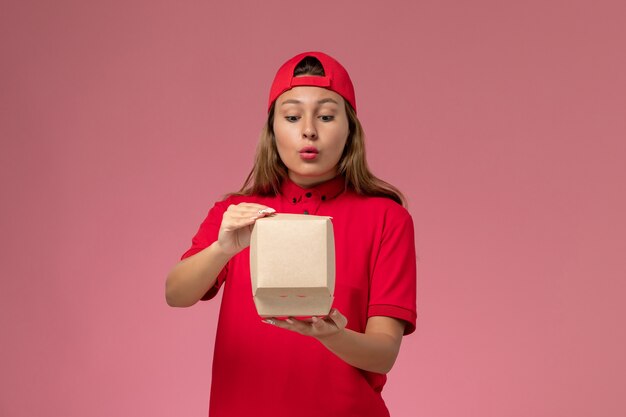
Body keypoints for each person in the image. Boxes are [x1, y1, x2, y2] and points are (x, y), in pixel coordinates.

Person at [165, 51, 417, 417]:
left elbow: (384, 353)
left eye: (327, 116)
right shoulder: (236, 213)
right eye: (293, 116)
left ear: (350, 130)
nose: (309, 130)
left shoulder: (387, 219)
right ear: (272, 129)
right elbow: (176, 293)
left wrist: (331, 335)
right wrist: (223, 248)